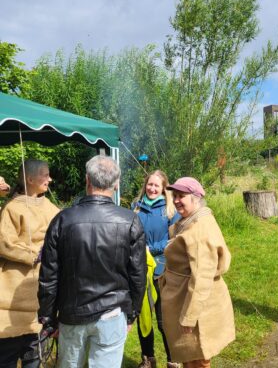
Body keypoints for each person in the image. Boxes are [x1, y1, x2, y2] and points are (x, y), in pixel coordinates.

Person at [38, 155, 146, 367]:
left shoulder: (62, 219)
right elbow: (138, 275)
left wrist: (48, 319)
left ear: (87, 180)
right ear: (116, 184)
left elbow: (49, 276)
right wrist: (132, 314)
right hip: (111, 313)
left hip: (73, 314)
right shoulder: (130, 220)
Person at [160, 177, 235, 368]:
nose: (176, 200)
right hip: (183, 297)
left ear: (196, 198)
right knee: (190, 356)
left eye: (181, 196)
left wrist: (190, 316)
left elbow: (202, 277)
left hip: (196, 304)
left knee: (198, 357)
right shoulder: (191, 221)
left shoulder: (200, 229)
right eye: (174, 195)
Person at [0, 160, 59, 368]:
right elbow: (4, 243)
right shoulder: (12, 208)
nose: (49, 179)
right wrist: (36, 254)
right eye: (45, 174)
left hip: (42, 297)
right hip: (13, 299)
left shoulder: (53, 209)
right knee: (6, 358)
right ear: (30, 179)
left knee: (34, 359)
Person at [132, 170, 180, 368]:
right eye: (149, 185)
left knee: (164, 321)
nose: (152, 189)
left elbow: (174, 239)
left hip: (162, 270)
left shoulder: (170, 209)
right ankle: (148, 359)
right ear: (145, 185)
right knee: (144, 318)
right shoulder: (135, 207)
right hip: (139, 269)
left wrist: (150, 248)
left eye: (156, 186)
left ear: (163, 188)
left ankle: (173, 360)